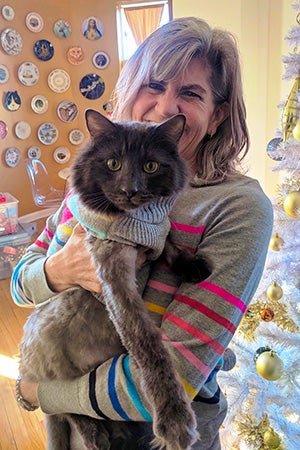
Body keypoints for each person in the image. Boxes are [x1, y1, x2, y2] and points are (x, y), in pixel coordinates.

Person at [11, 17, 273, 450]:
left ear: (217, 115)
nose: (166, 106)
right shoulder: (97, 180)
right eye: (153, 84)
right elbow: (22, 284)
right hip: (78, 421)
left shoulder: (238, 208)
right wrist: (59, 270)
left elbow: (177, 371)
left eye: (190, 93)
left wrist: (39, 393)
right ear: (130, 86)